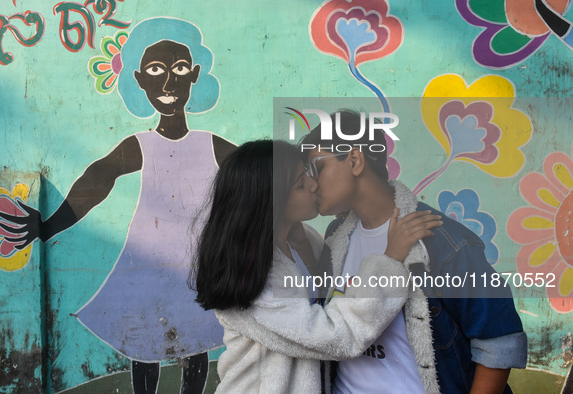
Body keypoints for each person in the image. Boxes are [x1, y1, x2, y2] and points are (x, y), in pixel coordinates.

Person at [0, 18, 235, 394]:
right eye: (157, 71)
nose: (169, 83)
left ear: (194, 76)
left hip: (196, 264)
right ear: (141, 80)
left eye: (179, 71)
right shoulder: (142, 144)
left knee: (195, 344)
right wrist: (47, 227)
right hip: (146, 262)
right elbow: (98, 178)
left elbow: (260, 178)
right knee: (144, 345)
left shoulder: (211, 144)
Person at [300, 110, 528, 393]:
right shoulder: (335, 241)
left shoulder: (441, 241)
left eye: (315, 168)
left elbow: (499, 342)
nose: (310, 183)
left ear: (355, 160)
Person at [192, 139, 443, 393]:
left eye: (309, 174)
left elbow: (319, 295)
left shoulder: (302, 241)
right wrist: (390, 260)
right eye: (301, 184)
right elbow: (336, 335)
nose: (314, 185)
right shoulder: (252, 276)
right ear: (271, 201)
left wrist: (307, 256)